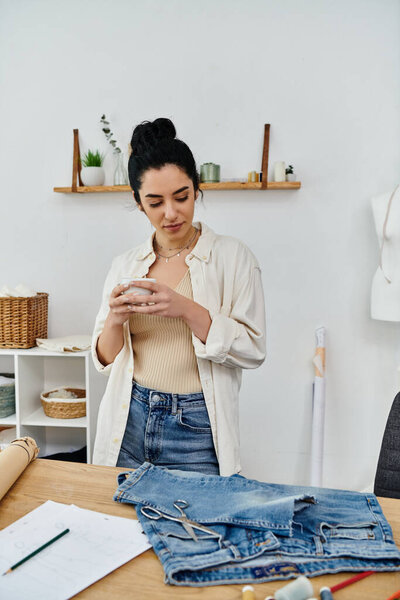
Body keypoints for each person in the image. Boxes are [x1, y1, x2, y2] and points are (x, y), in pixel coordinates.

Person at [91, 118, 266, 476]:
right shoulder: (126, 264)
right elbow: (103, 359)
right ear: (139, 203)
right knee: (120, 525)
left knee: (195, 530)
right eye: (155, 202)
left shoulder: (233, 257)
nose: (170, 213)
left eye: (181, 197)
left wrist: (185, 308)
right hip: (130, 419)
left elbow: (253, 350)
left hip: (197, 429)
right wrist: (114, 320)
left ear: (197, 189)